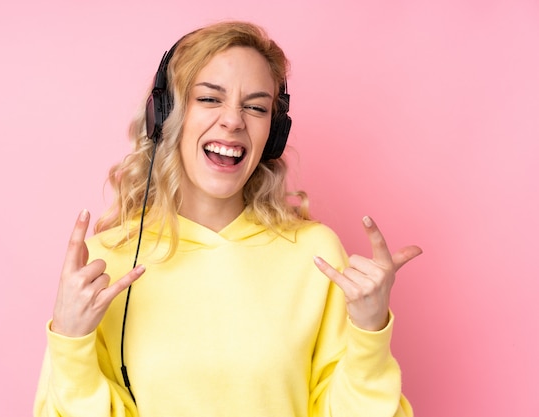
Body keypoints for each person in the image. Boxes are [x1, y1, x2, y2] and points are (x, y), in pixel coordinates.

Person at [34, 21, 422, 417]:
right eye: (209, 99)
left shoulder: (316, 255)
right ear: (165, 114)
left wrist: (370, 331)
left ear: (273, 133)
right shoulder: (103, 267)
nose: (234, 121)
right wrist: (70, 341)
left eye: (255, 107)